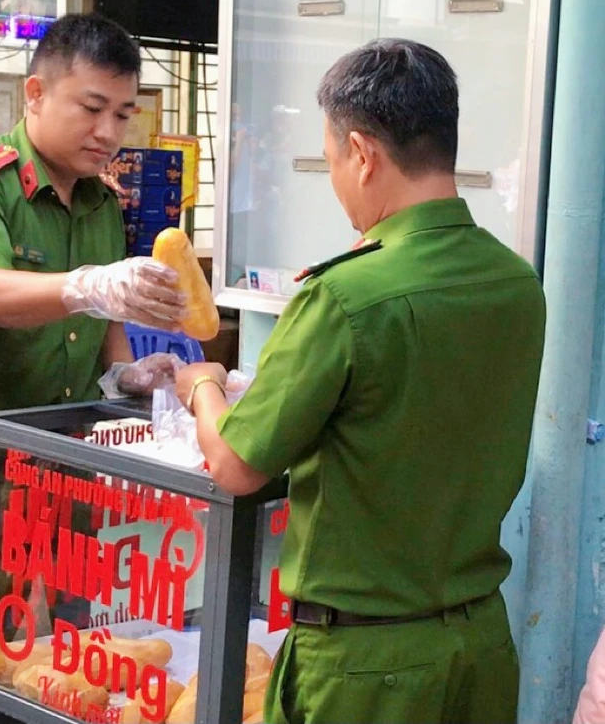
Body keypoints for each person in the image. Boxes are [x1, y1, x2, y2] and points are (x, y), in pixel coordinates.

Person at [176, 38, 546, 724]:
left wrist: (202, 384)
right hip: (479, 648)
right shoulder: (515, 283)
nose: (338, 181)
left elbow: (234, 463)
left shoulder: (345, 297)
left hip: (366, 670)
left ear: (363, 153)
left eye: (333, 161)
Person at [0, 13, 185, 723]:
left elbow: (105, 328)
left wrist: (126, 378)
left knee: (47, 680)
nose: (108, 132)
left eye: (122, 114)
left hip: (54, 484)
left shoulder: (103, 204)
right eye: (91, 108)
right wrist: (84, 282)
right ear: (36, 95)